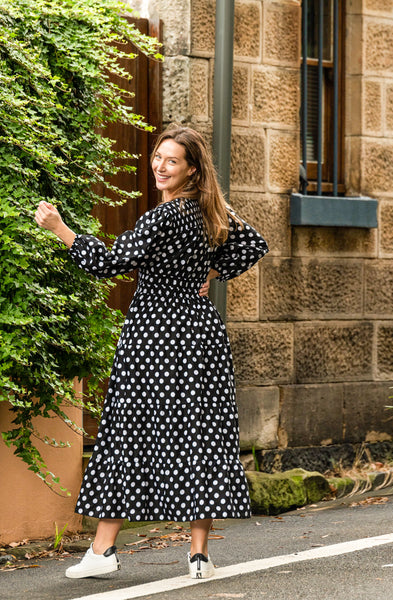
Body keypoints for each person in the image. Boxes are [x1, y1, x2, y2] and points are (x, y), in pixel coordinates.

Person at [35, 124, 269, 580]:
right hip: (200, 336)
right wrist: (215, 272)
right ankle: (199, 554)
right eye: (158, 157)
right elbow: (254, 244)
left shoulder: (161, 217)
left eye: (171, 161)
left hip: (155, 337)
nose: (160, 167)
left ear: (192, 170)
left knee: (129, 432)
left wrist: (60, 228)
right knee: (200, 435)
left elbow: (107, 263)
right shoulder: (211, 212)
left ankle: (103, 551)